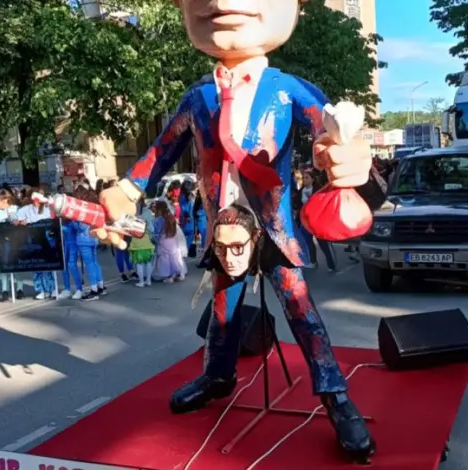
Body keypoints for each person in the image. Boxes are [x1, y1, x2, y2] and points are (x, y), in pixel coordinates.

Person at [92, 0, 375, 459]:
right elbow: (163, 148)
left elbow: (330, 128)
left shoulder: (287, 89)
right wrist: (129, 187)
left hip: (274, 228)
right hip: (225, 229)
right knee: (224, 310)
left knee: (300, 308)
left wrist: (347, 153)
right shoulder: (198, 97)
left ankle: (335, 395)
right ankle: (218, 375)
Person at [17, 186, 56, 300]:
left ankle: (52, 288)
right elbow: (17, 219)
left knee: (49, 265)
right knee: (37, 265)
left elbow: (49, 220)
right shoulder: (26, 209)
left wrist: (29, 220)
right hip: (34, 240)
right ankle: (41, 290)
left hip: (47, 239)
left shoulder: (47, 208)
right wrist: (19, 221)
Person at [295, 169, 338, 272]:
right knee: (307, 241)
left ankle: (331, 264)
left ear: (312, 179)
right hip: (305, 221)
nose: (305, 180)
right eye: (303, 178)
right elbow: (297, 203)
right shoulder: (301, 191)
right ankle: (312, 261)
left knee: (323, 244)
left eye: (307, 178)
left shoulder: (319, 190)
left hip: (318, 221)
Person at [0, 188, 25, 301]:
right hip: (3, 241)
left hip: (16, 240)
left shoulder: (16, 208)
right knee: (4, 264)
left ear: (5, 200)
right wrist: (6, 216)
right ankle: (5, 290)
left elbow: (21, 218)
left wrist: (14, 218)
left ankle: (20, 288)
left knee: (17, 264)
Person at [73, 187, 106, 301]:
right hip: (93, 237)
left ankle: (93, 290)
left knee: (89, 264)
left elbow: (81, 227)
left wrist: (73, 222)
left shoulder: (81, 209)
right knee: (95, 263)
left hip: (84, 239)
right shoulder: (92, 206)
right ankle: (100, 286)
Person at [152, 200, 187, 283]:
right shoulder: (171, 217)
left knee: (164, 258)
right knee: (174, 257)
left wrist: (154, 239)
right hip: (173, 240)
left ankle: (168, 275)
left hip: (163, 240)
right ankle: (176, 273)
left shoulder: (158, 220)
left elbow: (157, 233)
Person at [128, 200, 156, 287]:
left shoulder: (131, 217)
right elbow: (152, 229)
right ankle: (148, 280)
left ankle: (141, 282)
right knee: (148, 262)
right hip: (147, 242)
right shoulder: (147, 215)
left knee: (139, 263)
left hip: (137, 243)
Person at [58, 214, 83, 300]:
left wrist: (71, 221)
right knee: (64, 266)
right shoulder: (62, 219)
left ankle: (79, 289)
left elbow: (78, 228)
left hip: (73, 244)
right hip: (65, 244)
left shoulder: (73, 219)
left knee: (72, 265)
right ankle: (67, 289)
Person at [178, 180, 196, 253]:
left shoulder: (181, 197)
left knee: (183, 234)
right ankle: (185, 249)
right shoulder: (190, 197)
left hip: (182, 218)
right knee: (191, 234)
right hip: (189, 219)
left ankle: (181, 249)